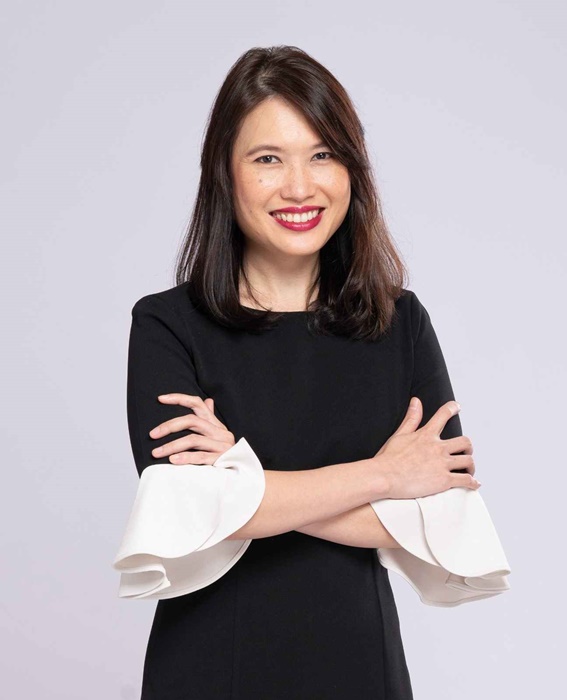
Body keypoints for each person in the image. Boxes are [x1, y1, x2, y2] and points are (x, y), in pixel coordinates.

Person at [121, 45, 480, 699]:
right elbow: (188, 513)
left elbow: (443, 521)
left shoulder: (399, 324)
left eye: (322, 155)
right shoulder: (167, 326)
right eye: (267, 159)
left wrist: (241, 484)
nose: (298, 187)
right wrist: (384, 478)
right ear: (223, 173)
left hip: (361, 671)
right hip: (210, 671)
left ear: (352, 168)